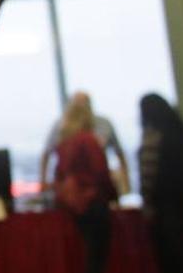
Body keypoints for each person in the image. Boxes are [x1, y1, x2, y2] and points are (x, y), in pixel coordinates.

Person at [139, 93, 183, 273]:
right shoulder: (180, 130)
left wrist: (147, 201)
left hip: (163, 203)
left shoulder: (153, 136)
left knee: (172, 253)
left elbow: (148, 173)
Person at [52, 95, 118, 273]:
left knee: (90, 252)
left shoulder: (64, 143)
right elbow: (100, 172)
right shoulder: (88, 140)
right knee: (98, 255)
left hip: (75, 205)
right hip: (94, 202)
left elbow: (59, 175)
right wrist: (113, 195)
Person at [40, 91, 131, 194]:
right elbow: (47, 155)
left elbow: (118, 154)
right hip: (78, 185)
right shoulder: (62, 128)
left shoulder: (102, 126)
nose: (81, 108)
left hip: (83, 185)